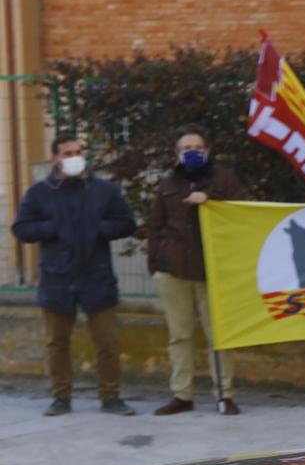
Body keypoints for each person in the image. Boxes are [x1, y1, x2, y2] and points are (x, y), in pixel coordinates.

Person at [12, 134, 137, 416]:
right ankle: (61, 397)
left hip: (97, 275)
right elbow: (21, 228)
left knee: (106, 341)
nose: (74, 157)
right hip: (58, 277)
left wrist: (100, 229)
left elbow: (127, 223)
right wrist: (50, 228)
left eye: (79, 151)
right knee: (57, 343)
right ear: (55, 157)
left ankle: (111, 396)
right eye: (67, 153)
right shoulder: (39, 193)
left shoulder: (104, 190)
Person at [147, 124, 244, 416]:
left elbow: (244, 210)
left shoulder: (224, 179)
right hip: (173, 270)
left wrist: (211, 200)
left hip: (212, 270)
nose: (192, 153)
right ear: (177, 154)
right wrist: (156, 261)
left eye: (197, 148)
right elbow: (155, 226)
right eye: (186, 149)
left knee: (219, 336)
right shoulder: (167, 184)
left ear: (208, 151)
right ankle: (182, 395)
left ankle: (224, 394)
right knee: (180, 335)